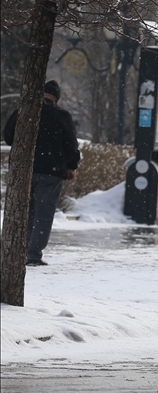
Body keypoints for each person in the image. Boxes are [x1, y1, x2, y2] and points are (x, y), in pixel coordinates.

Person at [3, 80, 80, 266]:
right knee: (43, 214)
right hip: (51, 172)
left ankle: (16, 251)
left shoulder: (24, 111)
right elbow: (71, 144)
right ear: (57, 99)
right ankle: (33, 254)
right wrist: (72, 166)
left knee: (23, 212)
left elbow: (8, 137)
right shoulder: (62, 115)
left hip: (24, 170)